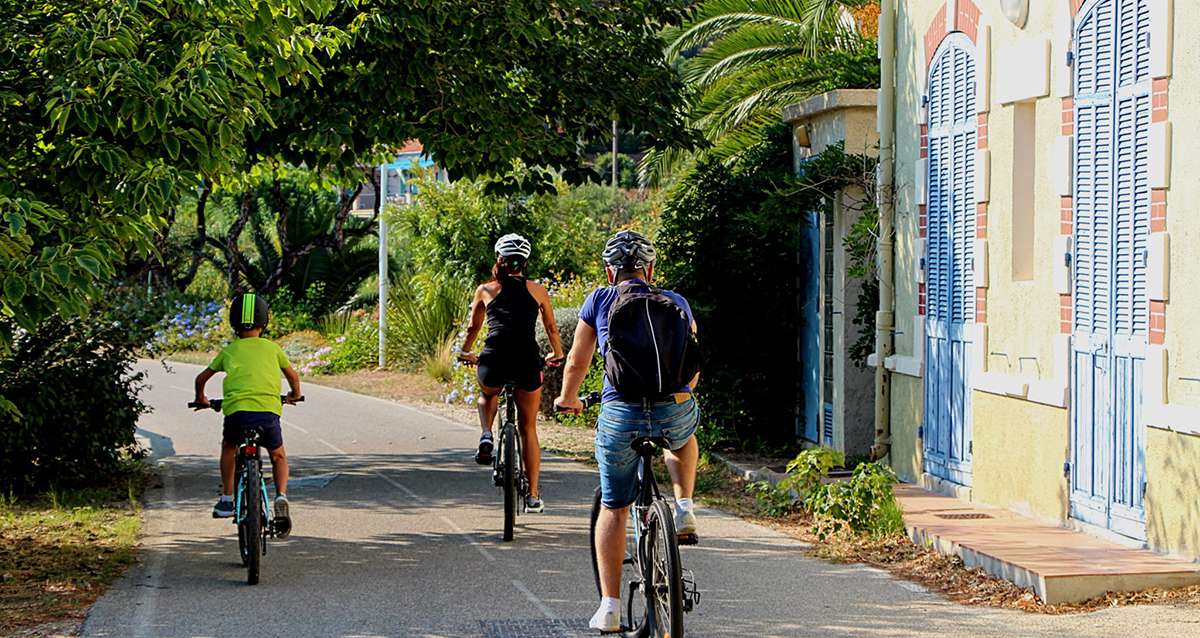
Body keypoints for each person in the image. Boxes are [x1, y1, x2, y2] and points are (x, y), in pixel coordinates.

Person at [555, 230, 701, 632]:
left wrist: (568, 398)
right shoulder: (677, 302)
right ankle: (684, 508)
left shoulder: (599, 300)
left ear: (609, 271)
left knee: (614, 506)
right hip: (675, 408)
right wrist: (679, 395)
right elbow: (694, 364)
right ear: (650, 269)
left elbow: (576, 363)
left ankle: (610, 608)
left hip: (620, 414)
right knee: (685, 438)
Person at [459, 233, 565, 513]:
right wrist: (557, 353)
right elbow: (552, 328)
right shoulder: (538, 290)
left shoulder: (485, 290)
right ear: (525, 263)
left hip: (494, 358)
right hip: (527, 360)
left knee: (487, 393)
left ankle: (486, 434)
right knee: (528, 427)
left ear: (499, 259)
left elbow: (473, 328)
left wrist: (465, 351)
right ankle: (532, 495)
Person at [193, 292, 302, 535]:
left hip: (237, 415)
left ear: (233, 324)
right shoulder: (272, 349)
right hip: (267, 414)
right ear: (264, 322)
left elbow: (201, 378)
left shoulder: (230, 351)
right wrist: (293, 395)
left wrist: (202, 398)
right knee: (278, 456)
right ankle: (282, 496)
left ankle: (227, 499)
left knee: (229, 447)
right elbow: (293, 377)